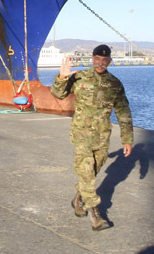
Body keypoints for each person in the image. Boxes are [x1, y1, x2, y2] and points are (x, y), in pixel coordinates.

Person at [50, 44, 133, 231]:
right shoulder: (79, 77)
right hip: (81, 134)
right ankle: (95, 213)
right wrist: (62, 76)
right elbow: (58, 93)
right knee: (86, 170)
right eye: (97, 59)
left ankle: (78, 198)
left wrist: (127, 139)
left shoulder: (114, 84)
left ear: (109, 61)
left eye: (104, 60)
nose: (100, 63)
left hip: (102, 136)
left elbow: (123, 111)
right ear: (92, 59)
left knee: (93, 170)